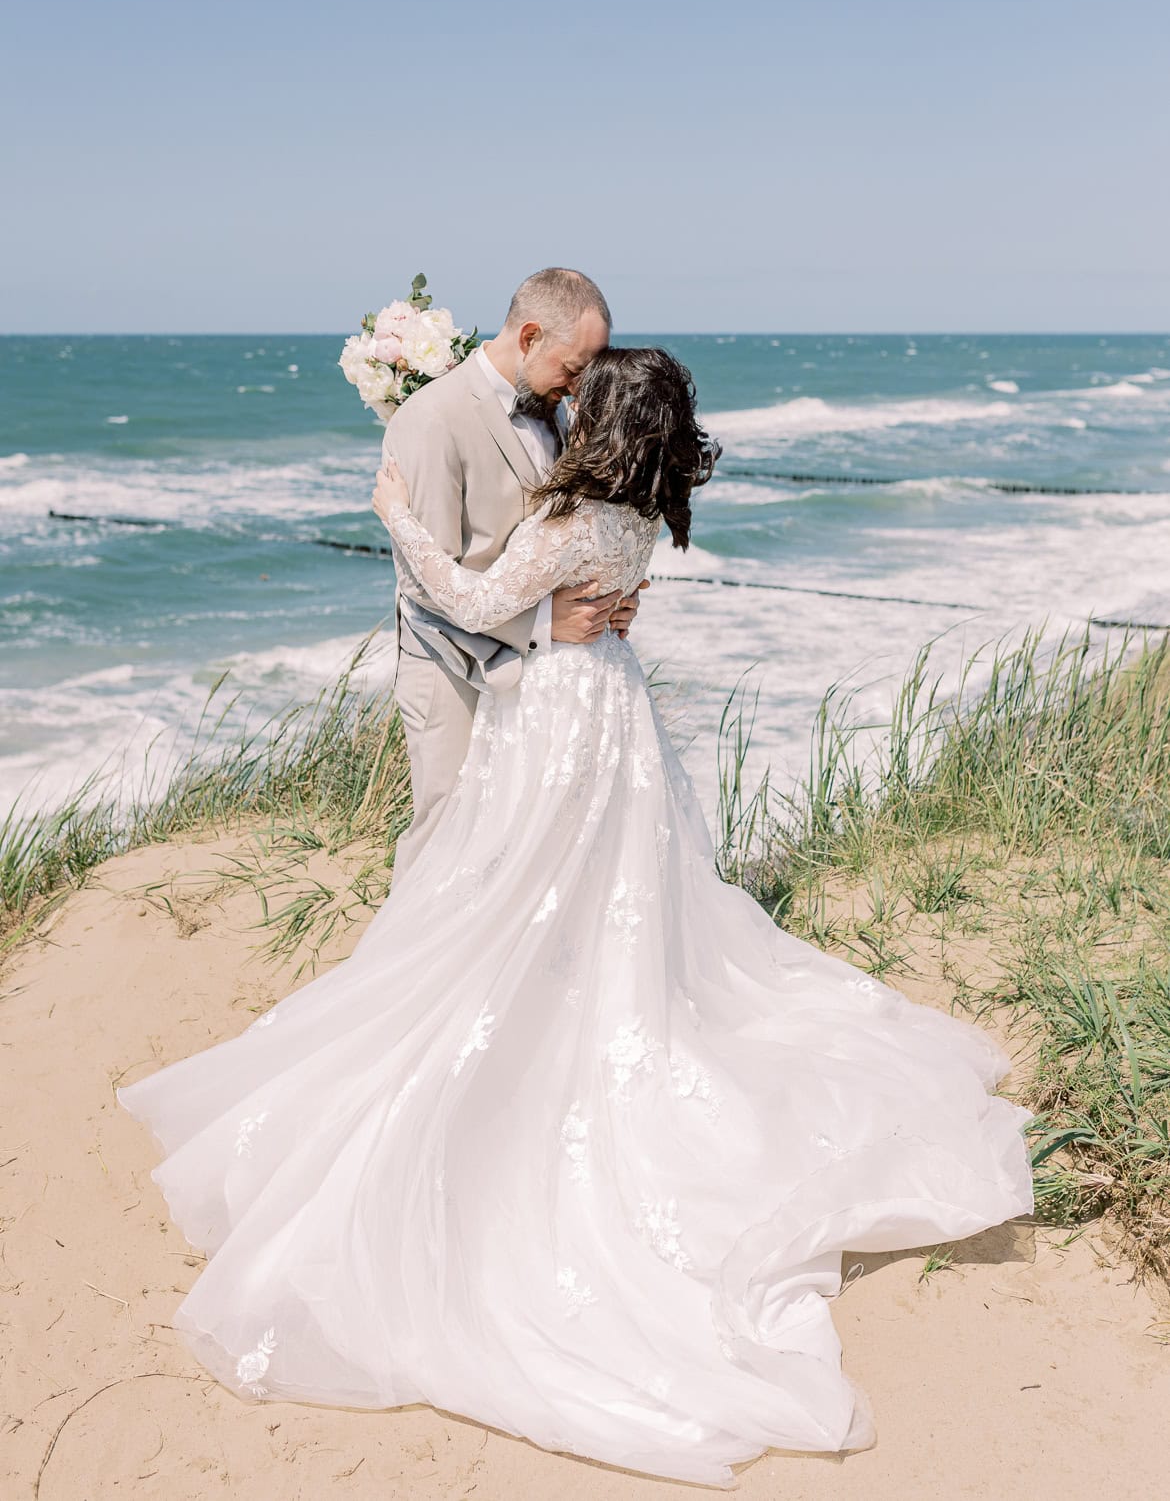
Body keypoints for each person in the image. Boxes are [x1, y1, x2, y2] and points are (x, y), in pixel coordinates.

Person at [117, 345, 1035, 1488]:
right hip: (616, 716)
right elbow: (574, 606)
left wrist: (400, 515)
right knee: (604, 899)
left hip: (555, 722)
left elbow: (467, 597)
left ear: (596, 423)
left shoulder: (572, 525)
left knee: (514, 900)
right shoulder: (642, 519)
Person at [382, 266, 646, 878]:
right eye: (575, 369)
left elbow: (567, 538)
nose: (582, 390)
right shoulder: (432, 419)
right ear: (529, 337)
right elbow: (426, 578)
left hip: (541, 680)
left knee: (521, 846)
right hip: (453, 665)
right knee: (448, 834)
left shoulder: (554, 410)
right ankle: (417, 969)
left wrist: (612, 595)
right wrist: (546, 622)